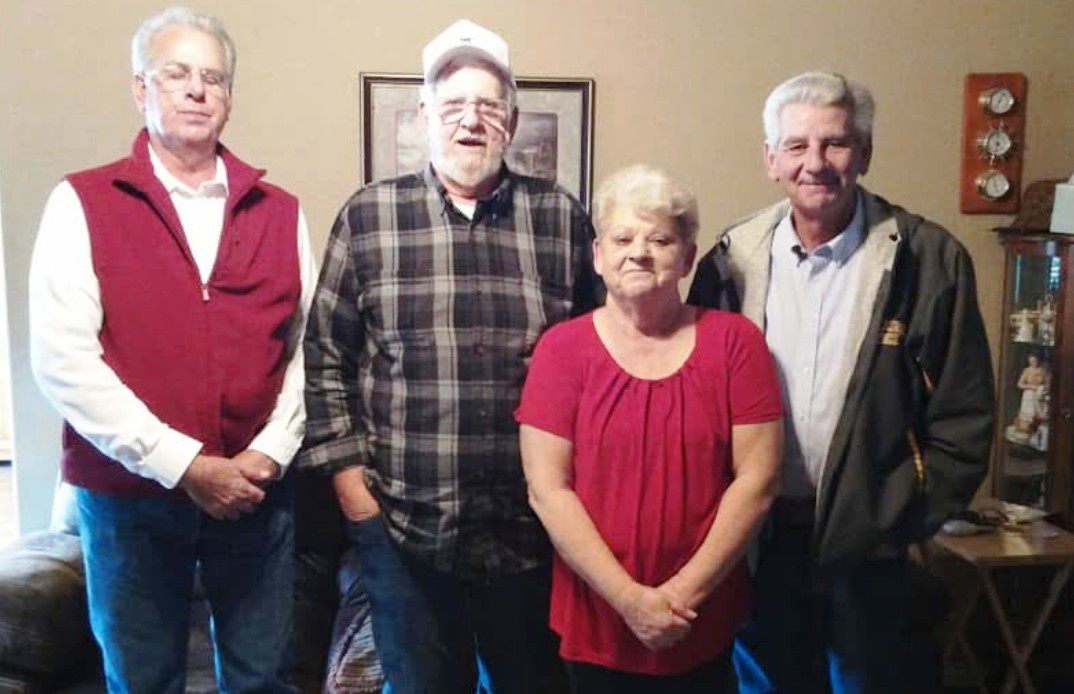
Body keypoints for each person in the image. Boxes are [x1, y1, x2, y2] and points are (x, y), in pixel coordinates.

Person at [300, 18, 600, 694]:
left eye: (489, 106)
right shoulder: (369, 217)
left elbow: (594, 352)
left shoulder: (559, 217)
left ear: (511, 121)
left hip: (529, 529)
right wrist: (352, 489)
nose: (471, 120)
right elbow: (325, 358)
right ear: (424, 115)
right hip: (406, 530)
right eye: (454, 104)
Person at [28, 6, 315, 693]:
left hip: (255, 491)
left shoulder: (280, 211)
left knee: (262, 677)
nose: (195, 89)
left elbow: (309, 348)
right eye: (176, 73)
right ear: (141, 89)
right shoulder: (83, 201)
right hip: (127, 496)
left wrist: (271, 452)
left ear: (228, 97)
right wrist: (182, 464)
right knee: (141, 679)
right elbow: (63, 360)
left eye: (212, 78)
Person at [688, 70, 995, 693]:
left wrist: (901, 514)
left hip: (870, 544)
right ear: (771, 159)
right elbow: (695, 400)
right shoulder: (730, 259)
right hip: (759, 535)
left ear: (865, 154)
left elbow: (964, 416)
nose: (815, 163)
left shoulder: (927, 260)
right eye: (796, 146)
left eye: (835, 143)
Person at [515, 165, 783, 694]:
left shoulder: (735, 343)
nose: (639, 252)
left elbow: (758, 480)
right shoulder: (561, 350)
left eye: (660, 239)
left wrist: (681, 596)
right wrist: (629, 600)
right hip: (596, 615)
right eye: (623, 239)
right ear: (598, 256)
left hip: (703, 615)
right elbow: (548, 490)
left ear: (687, 256)